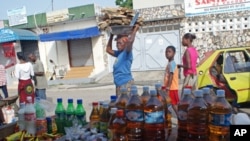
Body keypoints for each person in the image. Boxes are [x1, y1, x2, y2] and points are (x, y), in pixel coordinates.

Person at [106, 25, 139, 96]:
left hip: (126, 84)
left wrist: (135, 30)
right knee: (120, 105)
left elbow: (130, 41)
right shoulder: (119, 53)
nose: (117, 45)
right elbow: (108, 50)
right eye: (117, 43)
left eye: (119, 43)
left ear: (125, 44)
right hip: (119, 85)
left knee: (126, 105)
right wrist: (111, 36)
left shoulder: (127, 52)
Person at [164, 46, 179, 116]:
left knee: (174, 104)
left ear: (174, 53)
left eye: (169, 52)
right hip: (170, 87)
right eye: (166, 52)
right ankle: (169, 117)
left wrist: (168, 87)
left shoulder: (172, 63)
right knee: (169, 104)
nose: (167, 53)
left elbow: (171, 75)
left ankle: (181, 117)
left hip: (172, 88)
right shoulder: (170, 63)